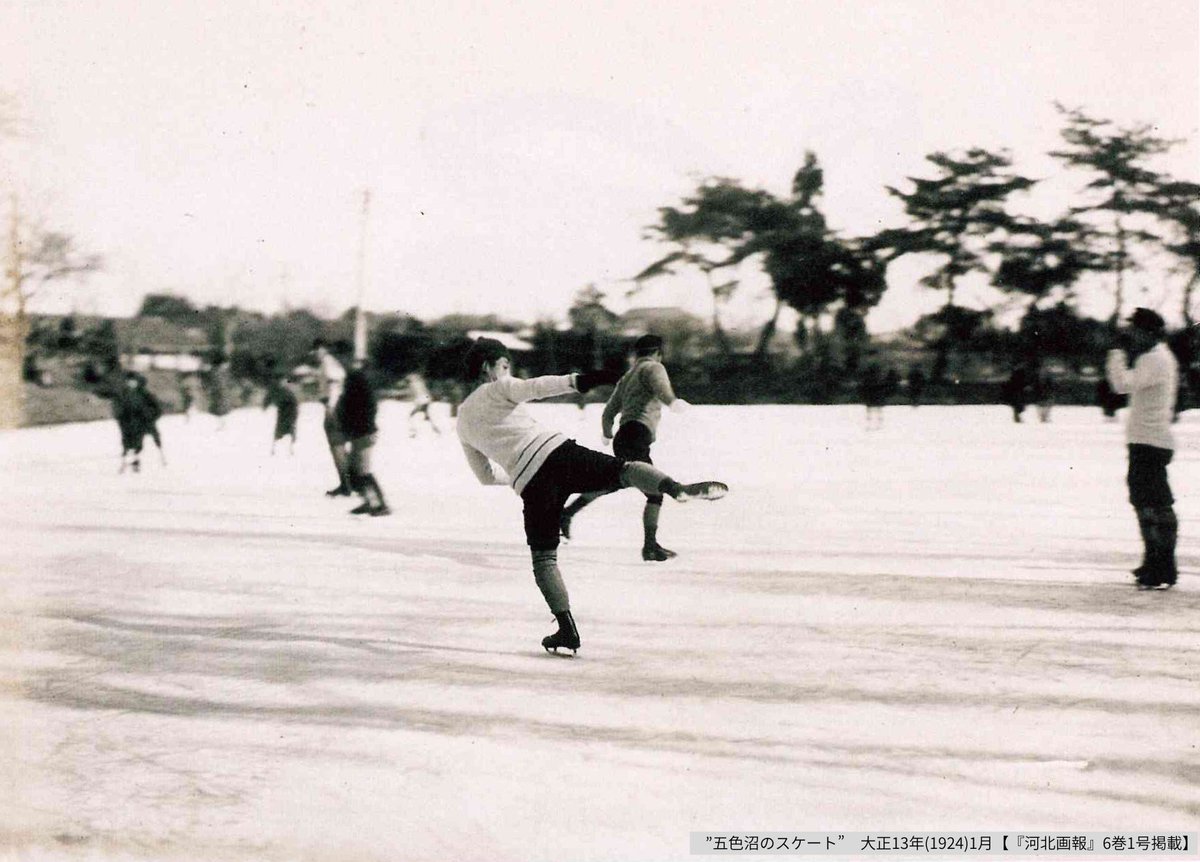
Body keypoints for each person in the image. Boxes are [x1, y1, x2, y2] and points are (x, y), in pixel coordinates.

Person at [455, 337, 727, 655]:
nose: (506, 372)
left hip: (530, 485)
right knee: (624, 470)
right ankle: (674, 488)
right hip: (558, 454)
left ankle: (566, 630)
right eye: (503, 365)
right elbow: (537, 387)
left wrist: (515, 473)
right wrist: (585, 379)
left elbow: (485, 477)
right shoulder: (498, 388)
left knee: (544, 560)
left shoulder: (462, 422)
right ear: (487, 366)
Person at [559, 334, 692, 561]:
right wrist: (672, 402)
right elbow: (661, 388)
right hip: (637, 434)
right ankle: (650, 546)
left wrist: (607, 433)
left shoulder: (628, 376)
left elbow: (608, 412)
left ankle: (567, 513)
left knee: (616, 481)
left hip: (625, 436)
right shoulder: (654, 367)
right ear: (657, 352)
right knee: (654, 490)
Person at [1106, 308, 1180, 590]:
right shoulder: (1157, 357)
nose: (1131, 336)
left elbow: (1121, 385)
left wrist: (1115, 354)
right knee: (1148, 503)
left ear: (1148, 332)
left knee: (1153, 504)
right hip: (1148, 440)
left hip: (1150, 441)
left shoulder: (1154, 359)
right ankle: (1156, 562)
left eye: (1135, 330)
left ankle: (1162, 564)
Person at [336, 361, 390, 516]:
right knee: (356, 470)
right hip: (362, 433)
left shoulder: (358, 393)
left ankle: (380, 504)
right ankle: (369, 501)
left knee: (363, 471)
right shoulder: (360, 392)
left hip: (363, 434)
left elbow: (352, 413)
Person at [314, 338, 352, 496]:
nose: (315, 354)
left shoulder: (327, 362)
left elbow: (334, 384)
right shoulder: (332, 362)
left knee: (337, 446)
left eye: (317, 350)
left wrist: (331, 405)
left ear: (323, 349)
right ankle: (348, 482)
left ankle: (346, 484)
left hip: (334, 408)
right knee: (339, 447)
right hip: (337, 406)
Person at [264, 374, 299, 455]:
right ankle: (274, 449)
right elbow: (270, 398)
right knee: (281, 430)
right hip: (283, 413)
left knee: (289, 430)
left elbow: (295, 404)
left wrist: (295, 415)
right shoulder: (280, 391)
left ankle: (291, 449)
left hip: (290, 413)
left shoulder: (288, 392)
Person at [405, 371, 441, 437]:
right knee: (427, 417)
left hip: (421, 402)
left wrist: (415, 401)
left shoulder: (412, 384)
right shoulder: (421, 383)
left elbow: (413, 394)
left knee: (411, 416)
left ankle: (413, 432)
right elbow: (426, 392)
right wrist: (428, 399)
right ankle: (436, 430)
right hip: (426, 401)